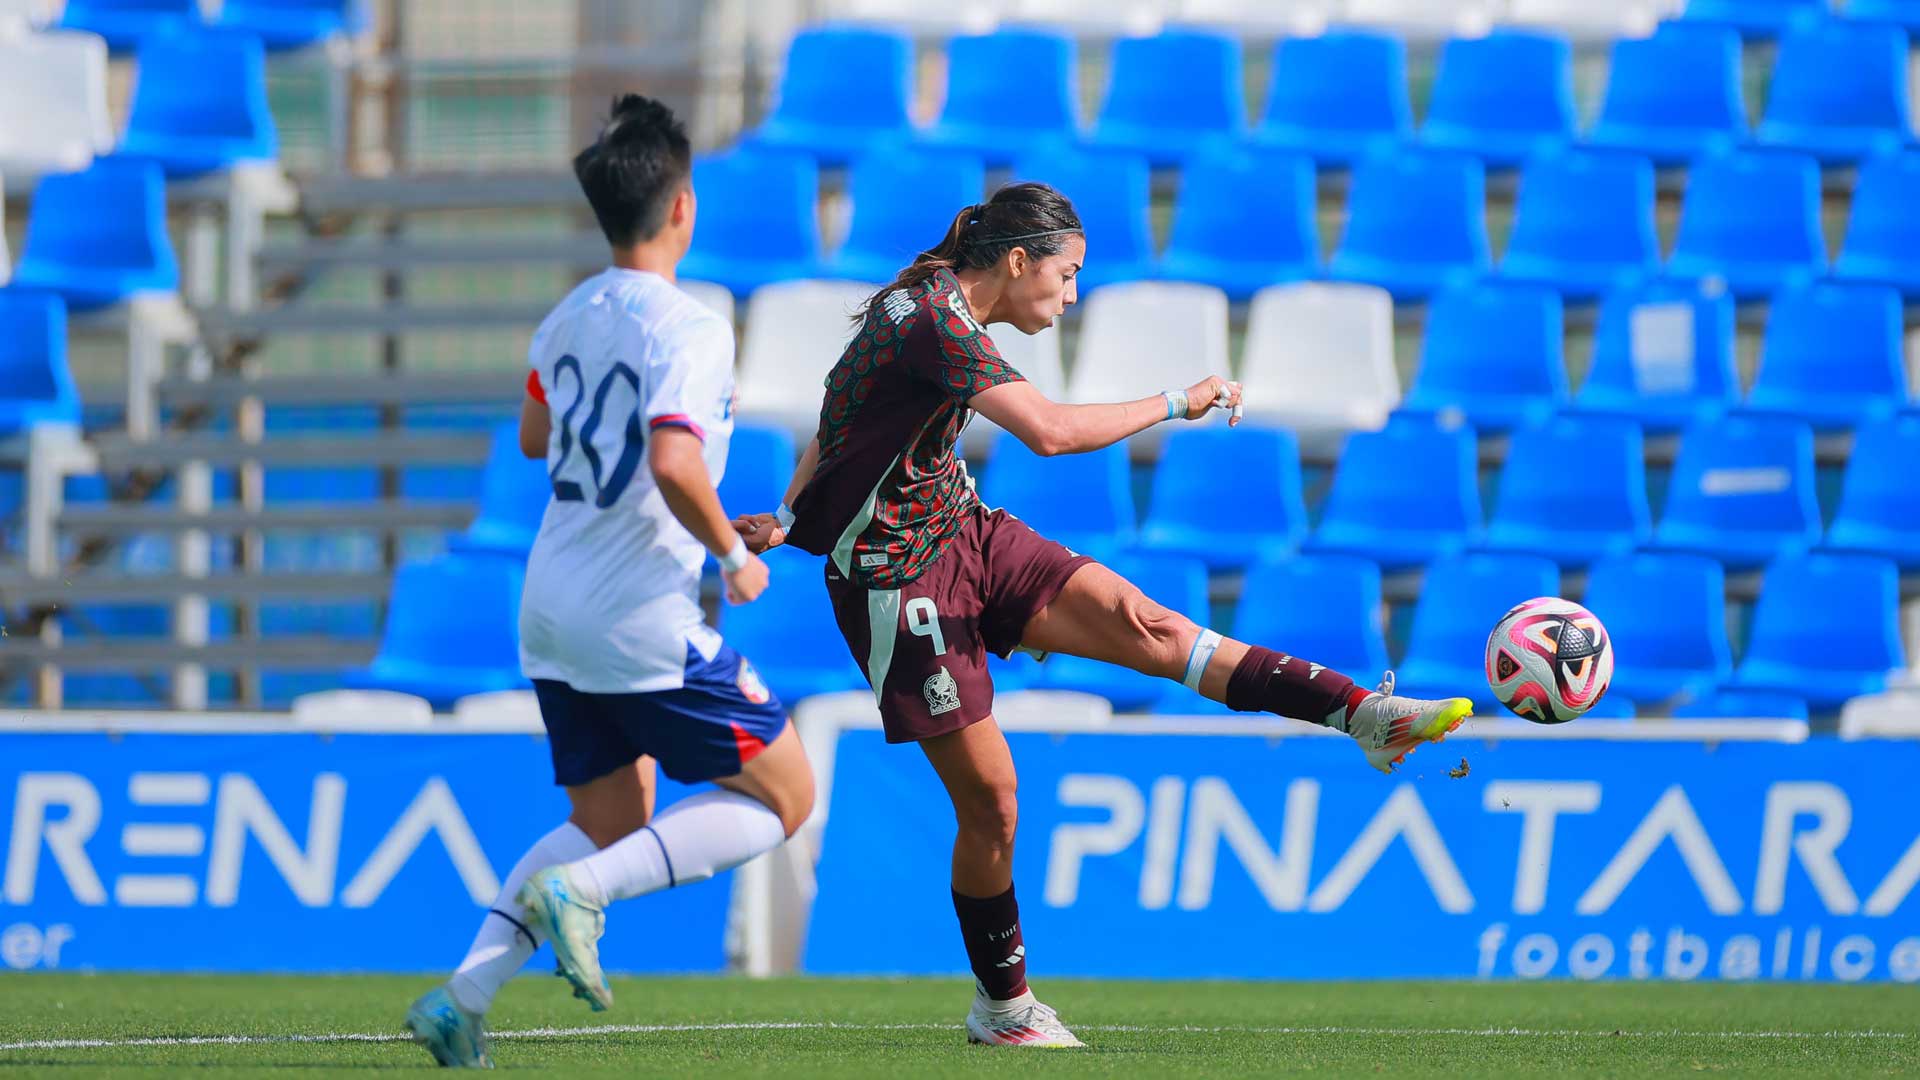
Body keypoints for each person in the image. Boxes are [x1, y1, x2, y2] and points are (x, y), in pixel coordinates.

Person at [732, 182, 1472, 1049]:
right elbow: (1047, 432)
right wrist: (1176, 403)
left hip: (965, 530)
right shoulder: (935, 319)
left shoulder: (931, 301)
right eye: (1068, 273)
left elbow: (843, 417)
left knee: (1151, 625)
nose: (1073, 294)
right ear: (1018, 262)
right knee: (994, 806)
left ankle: (1362, 715)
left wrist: (789, 517)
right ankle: (1002, 1011)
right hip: (898, 585)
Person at [405, 95, 815, 1068]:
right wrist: (733, 552)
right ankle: (583, 897)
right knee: (784, 798)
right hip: (638, 610)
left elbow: (537, 438)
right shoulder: (695, 325)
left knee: (609, 820)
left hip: (549, 603)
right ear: (682, 209)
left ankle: (463, 997)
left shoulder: (565, 317)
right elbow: (675, 462)